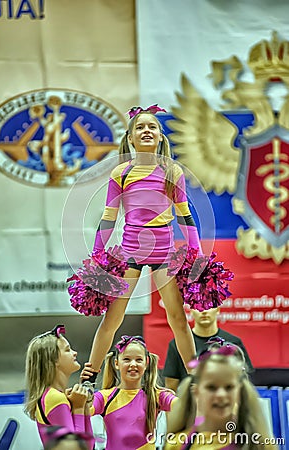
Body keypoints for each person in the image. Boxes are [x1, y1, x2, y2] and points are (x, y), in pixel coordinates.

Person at [85, 105, 202, 384]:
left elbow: (185, 215)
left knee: (177, 318)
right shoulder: (120, 173)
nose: (147, 130)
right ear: (130, 137)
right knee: (113, 318)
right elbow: (108, 218)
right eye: (140, 127)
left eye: (152, 126)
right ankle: (90, 374)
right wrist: (96, 258)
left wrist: (196, 254)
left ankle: (197, 378)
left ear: (161, 137)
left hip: (164, 252)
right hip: (130, 253)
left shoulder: (172, 171)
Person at [164, 347, 277, 450]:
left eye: (229, 387)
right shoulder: (176, 444)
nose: (221, 395)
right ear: (196, 392)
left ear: (239, 391)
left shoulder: (258, 445)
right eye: (211, 387)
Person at [82, 335, 177, 450]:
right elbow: (81, 410)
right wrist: (84, 386)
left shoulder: (157, 396)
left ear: (146, 364)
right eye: (127, 359)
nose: (133, 364)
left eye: (139, 360)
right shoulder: (104, 397)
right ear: (116, 363)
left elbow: (183, 406)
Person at [24, 325, 94, 450]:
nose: (75, 353)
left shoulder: (53, 396)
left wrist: (82, 405)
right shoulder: (55, 398)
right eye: (68, 350)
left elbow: (89, 444)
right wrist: (78, 407)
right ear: (54, 359)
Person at [163, 307, 254, 391]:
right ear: (191, 310)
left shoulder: (233, 342)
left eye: (209, 307)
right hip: (190, 404)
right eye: (198, 307)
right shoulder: (177, 344)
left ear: (218, 309)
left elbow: (245, 381)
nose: (204, 311)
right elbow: (171, 386)